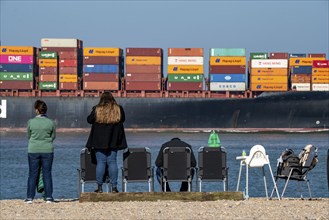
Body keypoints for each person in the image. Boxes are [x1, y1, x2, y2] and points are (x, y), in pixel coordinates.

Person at [86, 91, 127, 193]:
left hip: (99, 140)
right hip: (114, 139)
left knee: (101, 162)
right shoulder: (118, 109)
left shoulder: (97, 109)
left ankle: (99, 187)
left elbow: (89, 120)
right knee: (112, 162)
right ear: (112, 98)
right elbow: (123, 119)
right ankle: (114, 187)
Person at [25, 100, 56, 204]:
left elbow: (29, 136)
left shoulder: (30, 122)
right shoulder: (51, 122)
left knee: (32, 174)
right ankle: (49, 197)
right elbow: (53, 137)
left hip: (33, 150)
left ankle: (29, 198)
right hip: (47, 150)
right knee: (47, 174)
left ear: (37, 110)